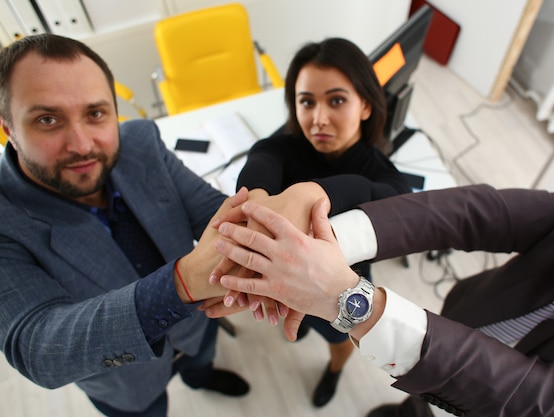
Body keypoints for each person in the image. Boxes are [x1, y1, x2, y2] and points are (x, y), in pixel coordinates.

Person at [0, 33, 325, 417]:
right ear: (8, 128)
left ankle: (200, 376)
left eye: (96, 114)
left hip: (195, 328)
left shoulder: (140, 142)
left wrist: (281, 220)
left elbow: (212, 213)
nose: (82, 144)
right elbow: (39, 348)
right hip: (127, 381)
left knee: (199, 363)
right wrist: (181, 285)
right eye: (48, 119)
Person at [207, 181, 554, 417]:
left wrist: (349, 300)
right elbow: (469, 211)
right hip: (426, 387)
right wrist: (316, 248)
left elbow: (533, 398)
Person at [234, 37, 411, 407]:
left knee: (338, 339)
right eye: (306, 102)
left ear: (365, 104)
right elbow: (262, 157)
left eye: (336, 100)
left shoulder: (386, 177)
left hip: (339, 287)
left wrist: (312, 192)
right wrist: (257, 198)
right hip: (284, 279)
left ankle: (334, 369)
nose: (318, 119)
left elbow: (391, 198)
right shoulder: (286, 145)